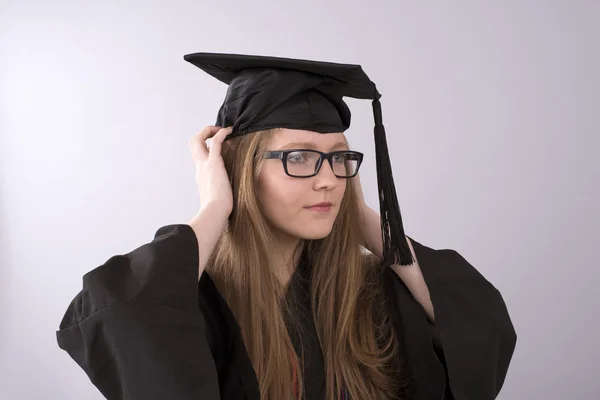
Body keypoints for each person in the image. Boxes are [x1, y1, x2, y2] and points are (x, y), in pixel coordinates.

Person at [56, 53, 517, 400]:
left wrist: (357, 216)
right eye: (298, 157)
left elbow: (481, 321)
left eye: (339, 157)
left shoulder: (368, 293)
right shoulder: (197, 302)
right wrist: (217, 204)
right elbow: (120, 314)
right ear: (243, 169)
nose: (327, 179)